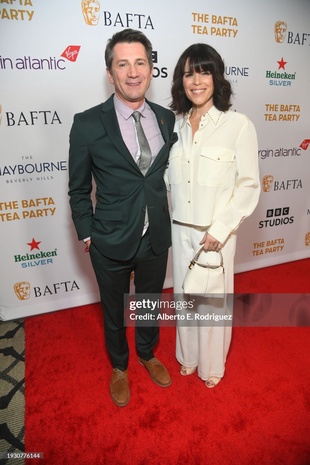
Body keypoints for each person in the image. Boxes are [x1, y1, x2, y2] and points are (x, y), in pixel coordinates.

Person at [68, 29, 177, 407]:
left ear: (151, 67)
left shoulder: (167, 119)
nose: (133, 72)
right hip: (109, 238)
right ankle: (119, 366)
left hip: (155, 237)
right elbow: (78, 188)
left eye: (141, 63)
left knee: (149, 302)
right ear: (110, 71)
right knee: (113, 311)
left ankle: (146, 353)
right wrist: (87, 234)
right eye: (123, 64)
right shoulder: (86, 124)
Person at [166, 43, 260, 388]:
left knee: (213, 305)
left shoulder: (237, 125)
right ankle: (188, 357)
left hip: (215, 234)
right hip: (180, 230)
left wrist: (221, 228)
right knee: (185, 300)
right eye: (189, 73)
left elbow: (249, 185)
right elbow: (163, 182)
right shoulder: (173, 126)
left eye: (204, 71)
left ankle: (212, 367)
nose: (196, 80)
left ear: (216, 77)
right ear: (181, 80)